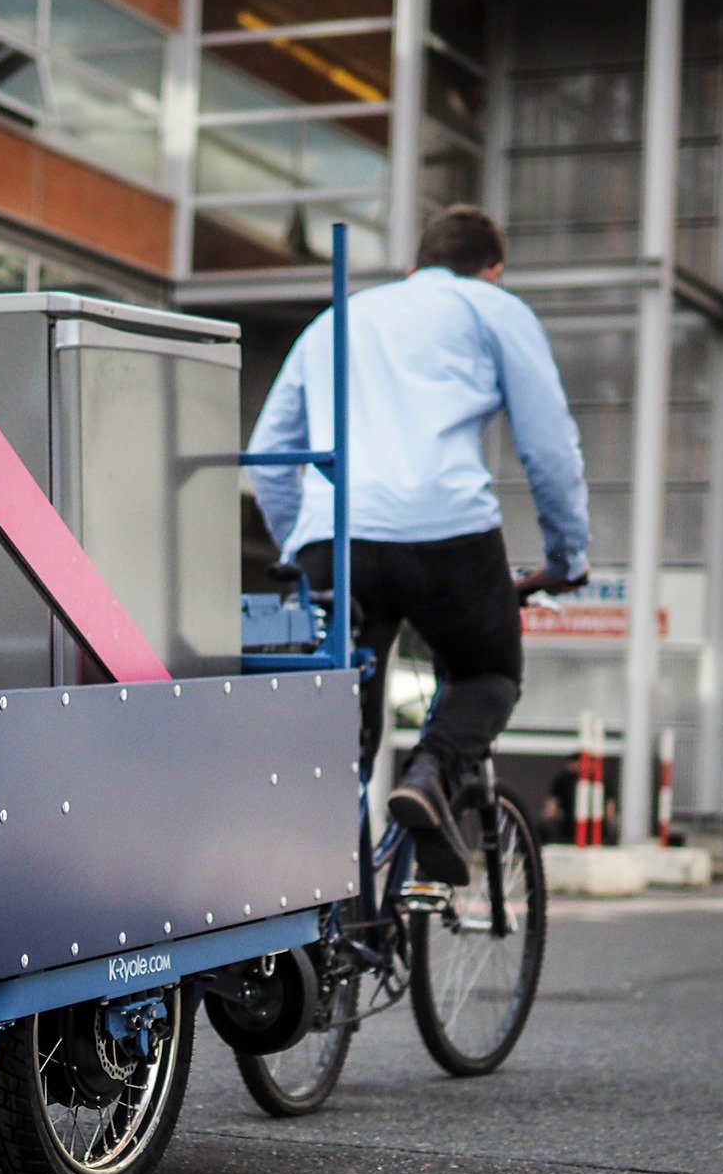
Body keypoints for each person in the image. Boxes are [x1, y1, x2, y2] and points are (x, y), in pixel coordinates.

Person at [246, 205, 591, 882]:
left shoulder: (336, 321)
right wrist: (565, 559)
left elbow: (268, 454)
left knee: (341, 725)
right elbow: (550, 450)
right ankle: (432, 774)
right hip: (446, 533)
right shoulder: (493, 309)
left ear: (414, 266)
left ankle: (337, 913)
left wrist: (302, 543)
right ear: (492, 272)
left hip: (333, 537)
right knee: (487, 670)